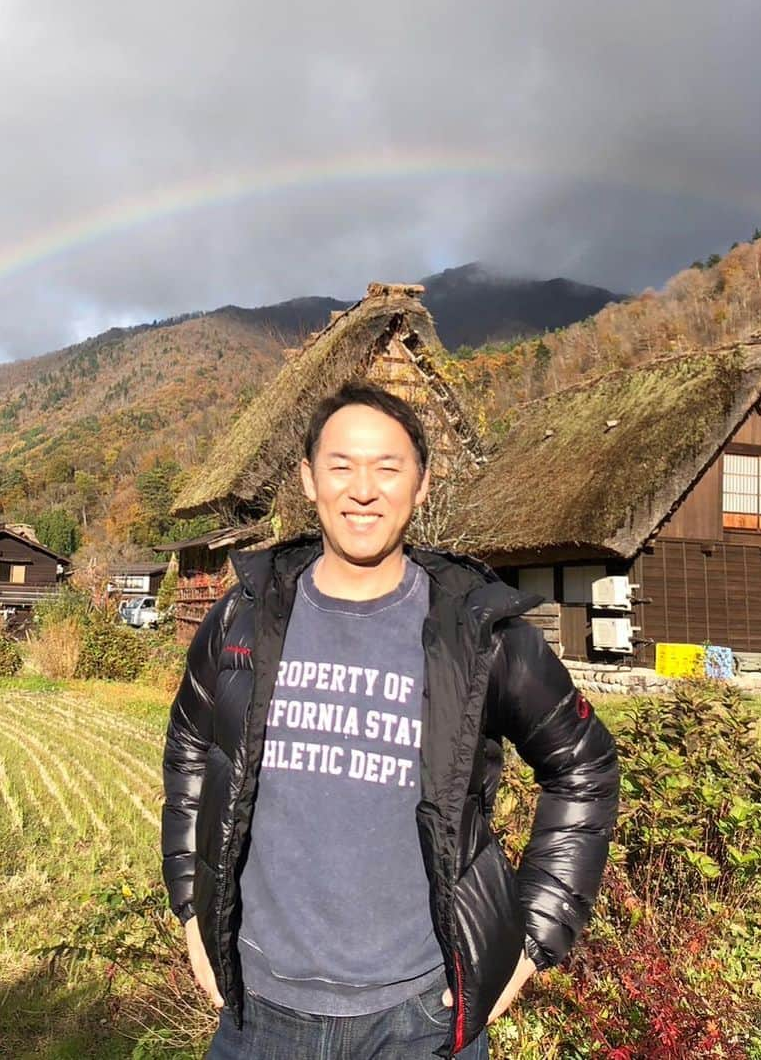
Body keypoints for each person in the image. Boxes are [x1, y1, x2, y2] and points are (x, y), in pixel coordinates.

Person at [162, 381, 619, 1058]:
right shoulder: (244, 618)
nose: (363, 490)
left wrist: (532, 938)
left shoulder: (478, 633)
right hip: (256, 1015)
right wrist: (192, 912)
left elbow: (583, 765)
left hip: (420, 1022)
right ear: (309, 480)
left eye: (388, 467)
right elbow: (192, 745)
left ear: (423, 484)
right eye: (341, 466)